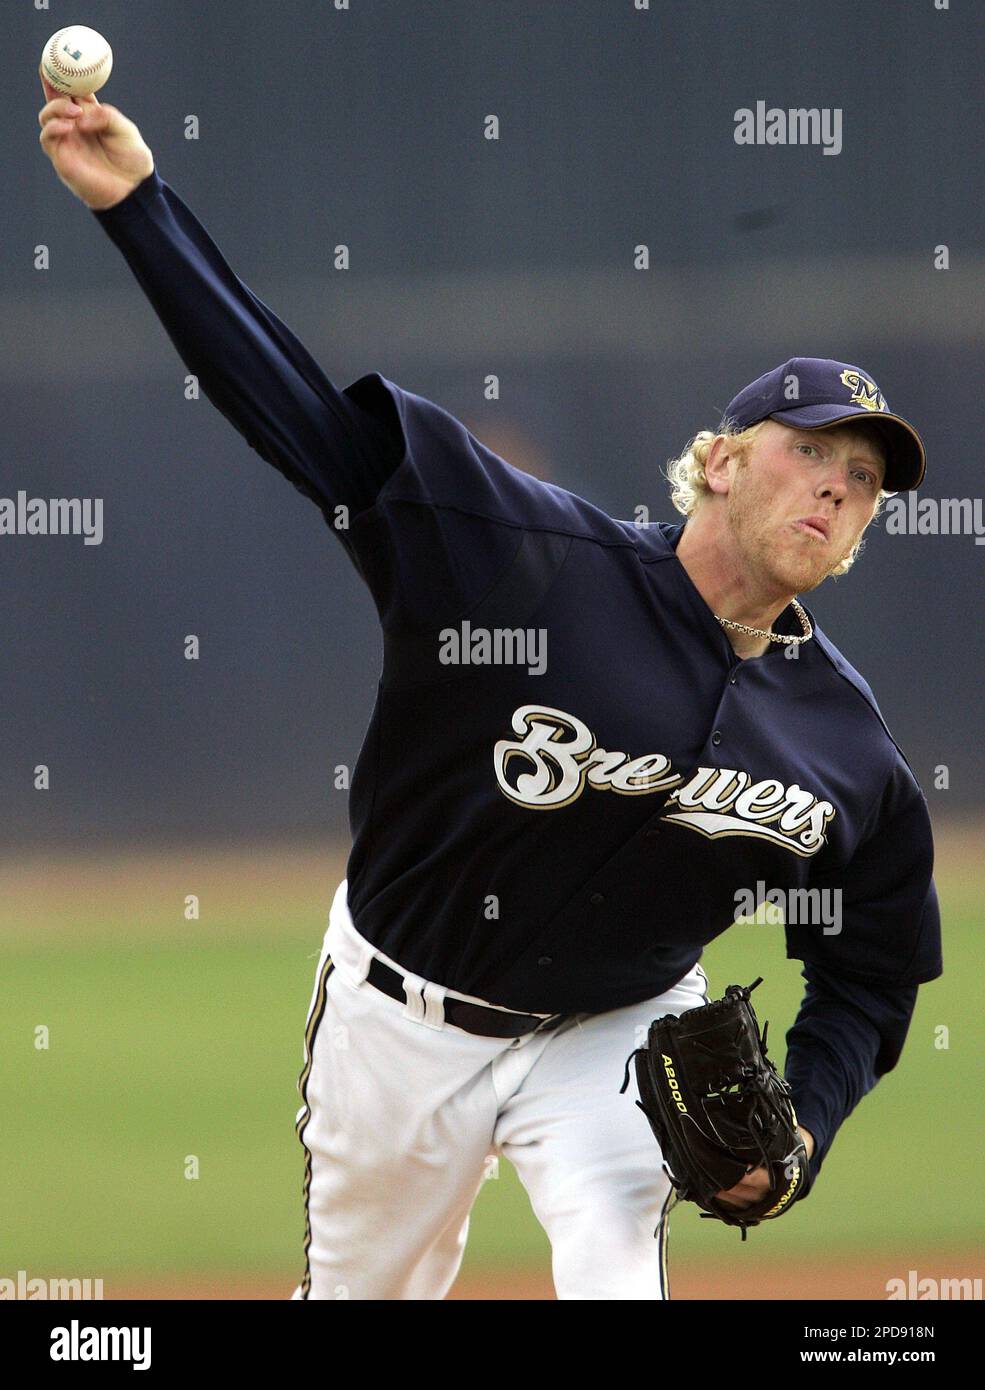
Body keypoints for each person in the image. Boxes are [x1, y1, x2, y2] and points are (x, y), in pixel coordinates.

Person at [38, 80, 942, 1301]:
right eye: (810, 449)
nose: (836, 485)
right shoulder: (524, 558)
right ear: (720, 463)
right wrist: (138, 206)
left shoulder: (847, 752)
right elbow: (302, 417)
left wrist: (805, 1133)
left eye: (864, 479)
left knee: (615, 1275)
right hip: (401, 1021)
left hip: (615, 1032)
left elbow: (874, 971)